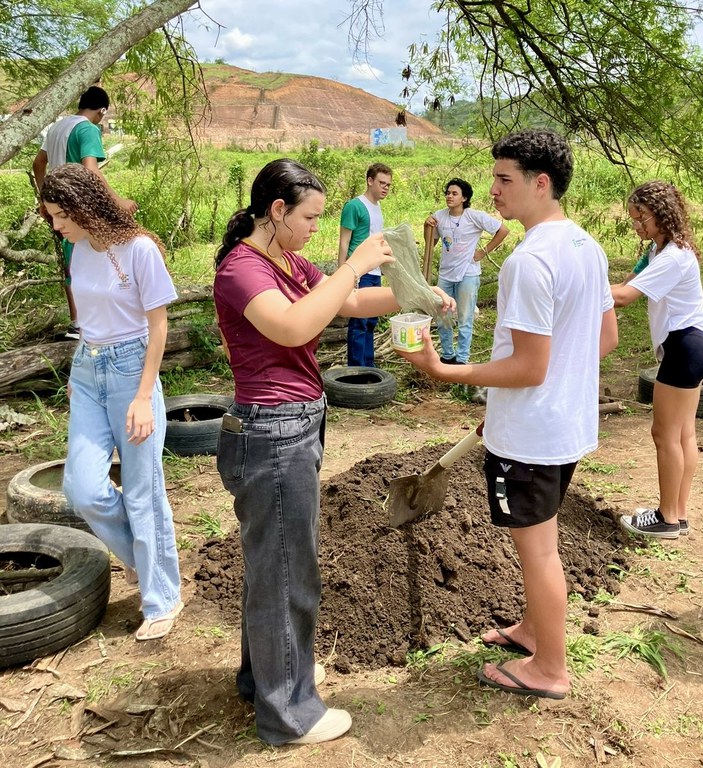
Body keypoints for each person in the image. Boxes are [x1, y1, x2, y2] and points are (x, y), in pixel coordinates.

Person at [213, 159, 452, 745]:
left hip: (295, 424)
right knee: (289, 569)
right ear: (276, 212)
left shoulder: (284, 259)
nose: (317, 227)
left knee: (276, 565)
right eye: (311, 217)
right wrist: (354, 264)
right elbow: (296, 327)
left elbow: (341, 305)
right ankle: (289, 711)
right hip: (271, 432)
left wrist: (411, 297)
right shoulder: (241, 271)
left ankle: (265, 677)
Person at [397, 130, 618, 700]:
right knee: (539, 544)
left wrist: (445, 370)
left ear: (539, 184)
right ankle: (531, 631)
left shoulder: (527, 261)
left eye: (504, 180)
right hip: (563, 427)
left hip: (529, 436)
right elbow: (606, 337)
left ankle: (550, 669)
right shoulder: (584, 246)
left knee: (539, 550)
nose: (491, 192)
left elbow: (526, 368)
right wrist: (536, 389)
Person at [39, 163, 182, 641]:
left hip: (132, 370)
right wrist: (80, 374)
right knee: (81, 489)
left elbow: (158, 327)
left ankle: (162, 599)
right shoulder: (76, 248)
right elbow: (87, 317)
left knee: (143, 491)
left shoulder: (139, 249)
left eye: (62, 214)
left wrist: (144, 396)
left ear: (85, 206)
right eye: (52, 216)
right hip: (88, 368)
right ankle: (140, 556)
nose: (57, 224)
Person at [612, 181, 703, 539]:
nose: (637, 225)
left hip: (686, 345)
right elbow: (628, 281)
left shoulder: (673, 256)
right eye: (634, 219)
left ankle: (667, 518)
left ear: (662, 214)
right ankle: (678, 513)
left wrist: (575, 285)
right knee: (684, 433)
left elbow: (624, 296)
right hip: (693, 344)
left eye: (642, 218)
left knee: (664, 434)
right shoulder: (664, 251)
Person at [33, 85, 138, 338]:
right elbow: (91, 169)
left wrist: (46, 200)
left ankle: (76, 323)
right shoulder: (87, 128)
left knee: (71, 261)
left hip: (59, 207)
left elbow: (38, 164)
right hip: (81, 204)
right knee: (98, 255)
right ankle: (97, 320)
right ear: (102, 110)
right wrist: (119, 200)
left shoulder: (58, 127)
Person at [424, 178, 509, 364]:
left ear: (464, 198)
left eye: (454, 193)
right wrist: (426, 226)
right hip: (446, 275)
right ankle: (447, 355)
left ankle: (462, 358)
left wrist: (482, 252)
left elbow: (503, 230)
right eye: (448, 193)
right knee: (442, 316)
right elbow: (431, 242)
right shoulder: (440, 216)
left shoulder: (474, 216)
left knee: (464, 317)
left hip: (467, 274)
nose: (449, 196)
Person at [338, 162, 393, 367]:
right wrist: (344, 276)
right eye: (381, 183)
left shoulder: (377, 208)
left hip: (375, 271)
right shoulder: (355, 206)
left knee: (371, 320)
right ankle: (356, 370)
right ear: (370, 181)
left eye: (388, 184)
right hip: (358, 271)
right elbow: (344, 242)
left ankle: (368, 366)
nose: (385, 188)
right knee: (359, 322)